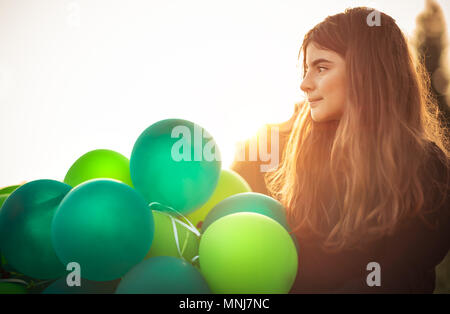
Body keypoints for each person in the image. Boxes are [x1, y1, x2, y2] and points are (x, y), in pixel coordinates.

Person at [231, 7, 450, 293]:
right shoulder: (307, 162)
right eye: (306, 69)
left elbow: (398, 278)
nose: (304, 84)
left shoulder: (425, 166)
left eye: (321, 68)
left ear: (366, 73)